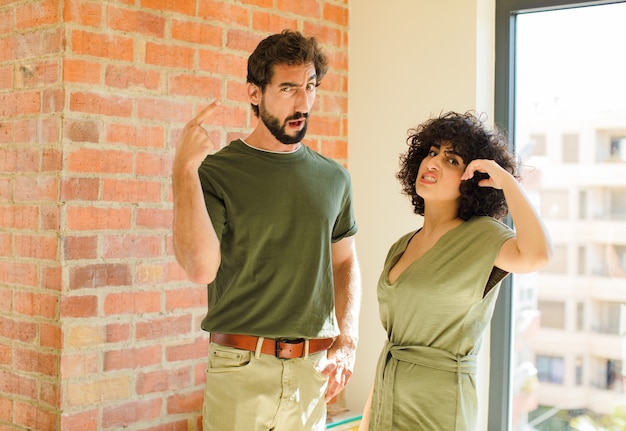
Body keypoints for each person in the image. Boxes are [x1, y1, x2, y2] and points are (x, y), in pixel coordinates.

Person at [171, 30, 361, 430]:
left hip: (311, 372)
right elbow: (200, 268)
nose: (303, 102)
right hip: (239, 368)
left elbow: (345, 263)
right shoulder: (218, 171)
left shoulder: (334, 179)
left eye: (310, 87)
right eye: (288, 88)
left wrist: (347, 341)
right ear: (254, 93)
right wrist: (183, 172)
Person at [358, 111, 552, 431]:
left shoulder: (484, 237)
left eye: (452, 160)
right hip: (386, 401)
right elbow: (394, 349)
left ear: (474, 179)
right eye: (432, 153)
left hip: (440, 406)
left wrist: (506, 182)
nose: (433, 163)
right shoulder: (401, 247)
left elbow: (538, 254)